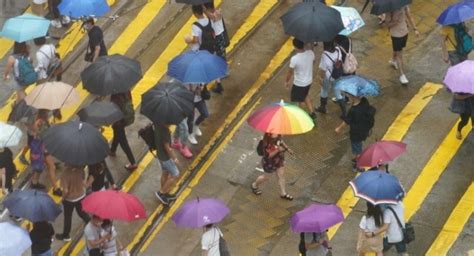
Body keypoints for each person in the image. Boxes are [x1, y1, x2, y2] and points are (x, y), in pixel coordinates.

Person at [335, 94, 376, 172]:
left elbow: (346, 121)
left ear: (354, 97)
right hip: (364, 130)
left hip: (356, 133)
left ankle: (359, 165)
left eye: (349, 97)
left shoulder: (353, 110)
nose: (348, 99)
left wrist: (339, 128)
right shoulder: (364, 101)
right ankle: (357, 158)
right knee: (358, 145)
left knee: (357, 149)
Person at [251, 133, 294, 200]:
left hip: (279, 159)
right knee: (266, 177)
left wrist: (287, 149)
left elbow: (281, 141)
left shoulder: (279, 134)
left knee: (281, 175)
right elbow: (268, 156)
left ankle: (283, 193)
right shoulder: (265, 142)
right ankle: (254, 185)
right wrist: (278, 150)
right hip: (269, 163)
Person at [30, 109, 62, 196]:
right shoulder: (41, 122)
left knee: (40, 167)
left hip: (40, 148)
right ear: (44, 112)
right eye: (47, 112)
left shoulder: (40, 120)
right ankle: (56, 188)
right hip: (42, 149)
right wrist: (52, 128)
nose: (49, 113)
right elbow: (44, 135)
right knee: (52, 167)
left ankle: (34, 182)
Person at [285, 38, 317, 121]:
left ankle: (300, 117)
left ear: (295, 47)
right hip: (308, 81)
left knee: (300, 100)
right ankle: (312, 112)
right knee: (305, 95)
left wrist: (287, 81)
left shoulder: (294, 59)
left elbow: (290, 72)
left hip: (299, 83)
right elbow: (313, 62)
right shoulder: (311, 53)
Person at [56, 165, 91, 241]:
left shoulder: (65, 174)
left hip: (70, 200)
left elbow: (65, 191)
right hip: (81, 195)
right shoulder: (80, 169)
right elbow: (83, 179)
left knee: (68, 217)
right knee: (82, 213)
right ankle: (91, 223)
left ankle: (66, 235)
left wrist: (63, 198)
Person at [386, 5, 419, 85]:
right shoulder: (389, 9)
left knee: (398, 50)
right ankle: (402, 74)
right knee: (399, 54)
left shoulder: (404, 5)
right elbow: (387, 24)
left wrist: (415, 29)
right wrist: (394, 22)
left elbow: (409, 16)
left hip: (404, 32)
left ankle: (393, 60)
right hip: (396, 35)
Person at [315, 41, 346, 118]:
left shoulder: (325, 54)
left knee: (324, 90)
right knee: (337, 93)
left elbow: (323, 69)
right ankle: (344, 112)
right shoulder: (338, 49)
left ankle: (323, 107)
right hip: (338, 75)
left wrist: (320, 78)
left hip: (329, 77)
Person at [110, 91, 137, 171]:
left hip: (118, 121)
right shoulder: (126, 90)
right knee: (117, 134)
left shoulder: (115, 95)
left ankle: (133, 162)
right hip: (124, 119)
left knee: (123, 142)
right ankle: (112, 150)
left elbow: (114, 109)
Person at [204, 1, 227, 94]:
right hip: (221, 37)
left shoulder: (212, 16)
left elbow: (210, 15)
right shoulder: (218, 12)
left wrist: (203, 8)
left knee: (215, 60)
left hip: (216, 39)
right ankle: (219, 82)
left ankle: (218, 83)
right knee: (220, 57)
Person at [154, 123, 180, 206]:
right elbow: (167, 148)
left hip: (160, 155)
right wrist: (174, 158)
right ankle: (161, 192)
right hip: (166, 158)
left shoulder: (158, 127)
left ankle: (165, 194)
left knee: (165, 173)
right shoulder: (165, 132)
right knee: (175, 174)